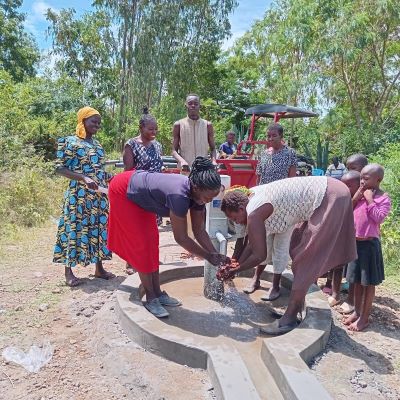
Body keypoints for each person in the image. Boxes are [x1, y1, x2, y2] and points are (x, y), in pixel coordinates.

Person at [219, 176, 357, 335]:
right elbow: (249, 244)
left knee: (305, 260)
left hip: (328, 196)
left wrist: (236, 269)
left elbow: (259, 254)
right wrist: (233, 265)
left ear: (241, 209)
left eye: (235, 218)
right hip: (328, 192)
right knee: (297, 246)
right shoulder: (250, 199)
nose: (237, 222)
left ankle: (289, 319)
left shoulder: (254, 212)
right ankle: (295, 309)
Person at [107, 157, 226, 318]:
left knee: (152, 241)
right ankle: (150, 297)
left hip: (143, 194)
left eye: (212, 198)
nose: (209, 201)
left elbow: (199, 231)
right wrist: (207, 256)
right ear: (197, 188)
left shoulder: (199, 196)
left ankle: (158, 292)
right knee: (141, 245)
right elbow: (181, 238)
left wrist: (214, 254)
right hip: (124, 190)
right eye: (208, 198)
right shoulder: (179, 195)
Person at [53, 106, 114, 287]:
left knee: (97, 228)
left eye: (99, 123)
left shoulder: (97, 144)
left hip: (98, 195)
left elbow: (98, 169)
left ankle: (99, 268)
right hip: (78, 196)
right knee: (74, 228)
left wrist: (109, 178)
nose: (97, 125)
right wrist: (83, 178)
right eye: (93, 121)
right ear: (83, 121)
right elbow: (59, 168)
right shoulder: (69, 142)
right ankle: (68, 272)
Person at [244, 123, 297, 300]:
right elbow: (259, 178)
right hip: (264, 205)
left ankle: (275, 286)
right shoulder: (264, 155)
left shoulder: (290, 154)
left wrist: (290, 204)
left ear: (281, 136)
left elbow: (292, 180)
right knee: (262, 243)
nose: (270, 138)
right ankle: (256, 279)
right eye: (268, 135)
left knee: (280, 248)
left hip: (283, 207)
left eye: (273, 135)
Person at [344, 164, 391, 331]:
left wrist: (370, 199)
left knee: (368, 284)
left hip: (369, 245)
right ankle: (357, 312)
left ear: (378, 179)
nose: (362, 181)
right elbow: (347, 210)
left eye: (366, 178)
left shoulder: (383, 198)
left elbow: (378, 218)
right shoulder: (359, 196)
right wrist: (357, 197)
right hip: (355, 243)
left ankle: (364, 318)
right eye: (361, 177)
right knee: (356, 281)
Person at [122, 108, 163, 274]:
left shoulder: (157, 145)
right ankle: (131, 261)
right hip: (138, 192)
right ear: (141, 128)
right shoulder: (131, 144)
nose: (154, 132)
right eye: (150, 129)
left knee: (152, 228)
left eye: (155, 129)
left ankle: (149, 257)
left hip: (155, 193)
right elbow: (128, 170)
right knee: (136, 229)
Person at [337, 153, 369, 314]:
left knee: (358, 271)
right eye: (348, 168)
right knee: (351, 269)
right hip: (353, 234)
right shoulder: (352, 188)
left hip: (365, 237)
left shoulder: (368, 191)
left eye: (353, 168)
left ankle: (352, 302)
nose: (350, 171)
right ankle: (351, 297)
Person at [327, 170, 361, 307]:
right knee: (337, 266)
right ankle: (335, 295)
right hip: (341, 237)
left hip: (358, 241)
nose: (345, 189)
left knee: (353, 271)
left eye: (349, 186)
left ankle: (351, 300)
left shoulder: (363, 200)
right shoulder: (341, 198)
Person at [172, 94, 217, 169]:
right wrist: (182, 161)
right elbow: (174, 151)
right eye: (190, 103)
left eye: (196, 103)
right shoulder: (178, 125)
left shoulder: (207, 125)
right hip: (185, 169)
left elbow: (213, 149)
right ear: (186, 105)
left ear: (200, 106)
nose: (193, 106)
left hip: (203, 170)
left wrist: (214, 161)